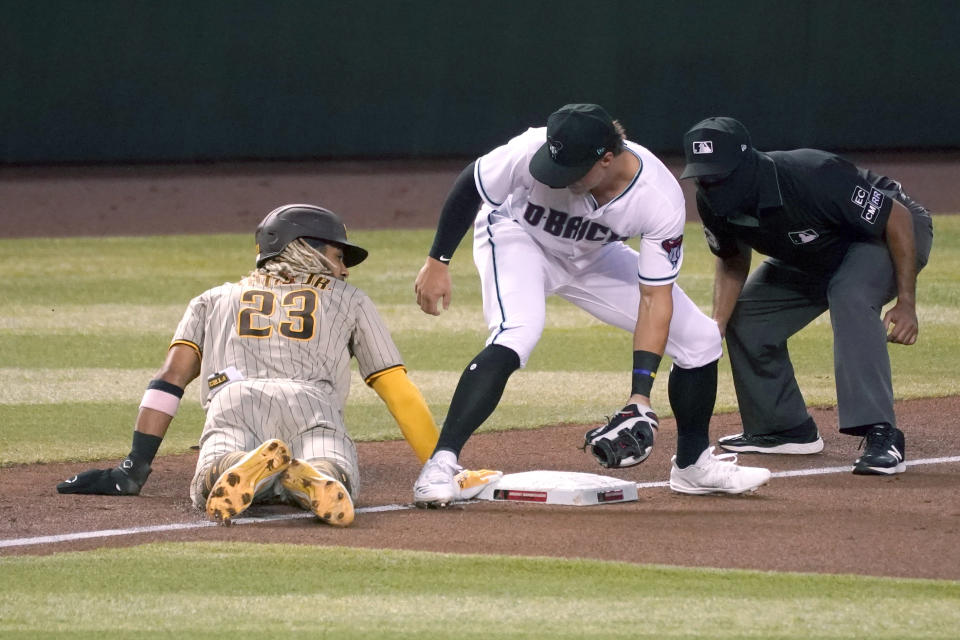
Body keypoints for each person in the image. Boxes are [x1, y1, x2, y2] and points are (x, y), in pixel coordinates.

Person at [411, 103, 771, 506]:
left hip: (593, 256)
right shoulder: (530, 148)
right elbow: (472, 184)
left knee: (701, 338)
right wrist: (437, 261)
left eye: (571, 169)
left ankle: (693, 465)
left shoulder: (658, 198)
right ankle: (439, 466)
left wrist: (640, 396)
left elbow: (655, 298)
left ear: (607, 158)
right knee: (517, 333)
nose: (558, 176)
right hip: (517, 237)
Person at [56, 204, 497, 525]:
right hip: (314, 406)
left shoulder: (214, 298)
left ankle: (242, 465)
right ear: (302, 247)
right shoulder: (349, 300)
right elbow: (395, 388)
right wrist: (440, 463)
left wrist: (133, 469)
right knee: (335, 471)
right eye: (338, 255)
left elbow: (170, 380)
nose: (344, 270)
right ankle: (309, 478)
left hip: (234, 401)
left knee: (214, 475)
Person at [679, 117, 934, 475]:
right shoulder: (711, 199)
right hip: (816, 253)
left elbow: (897, 218)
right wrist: (717, 324)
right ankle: (784, 427)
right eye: (702, 176)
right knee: (746, 317)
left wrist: (906, 302)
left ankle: (883, 434)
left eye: (718, 175)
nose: (710, 184)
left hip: (887, 234)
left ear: (746, 163)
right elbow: (733, 259)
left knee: (849, 293)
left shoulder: (810, 174)